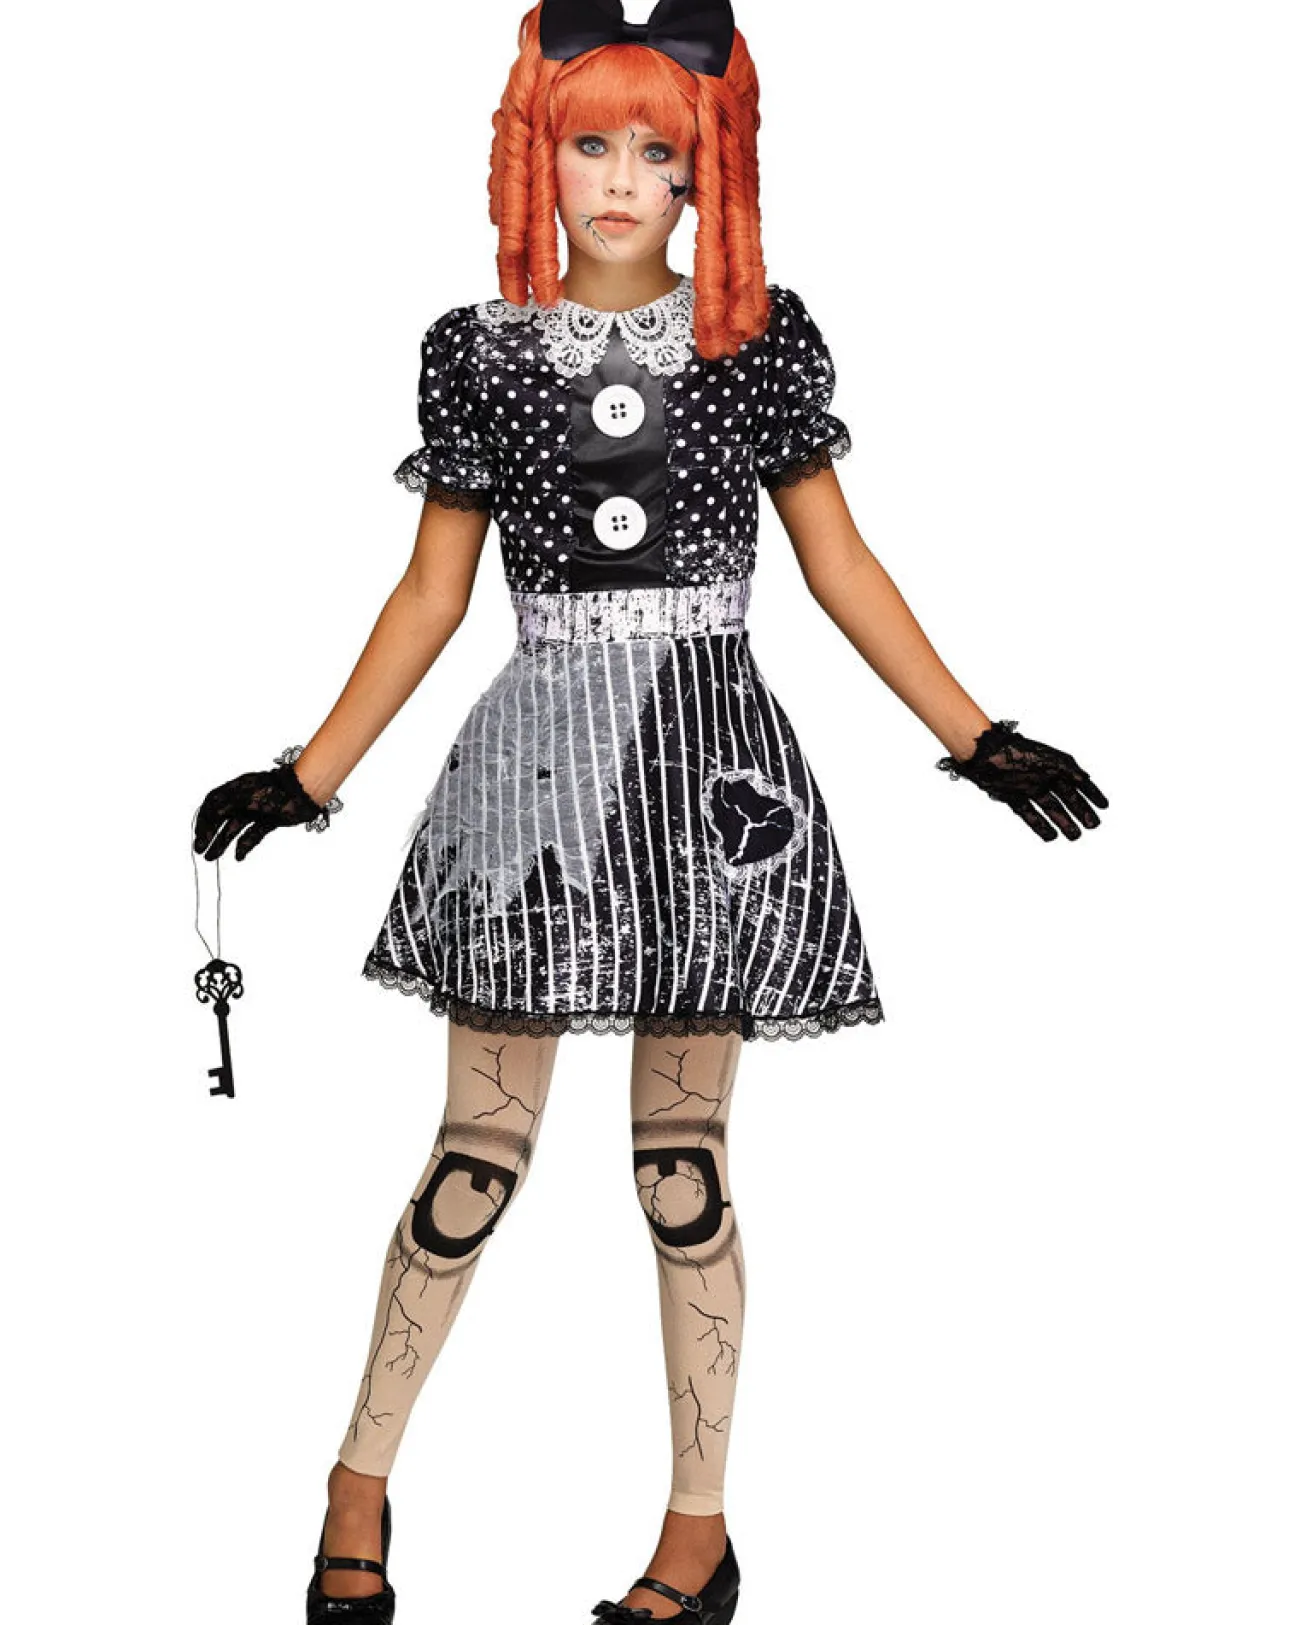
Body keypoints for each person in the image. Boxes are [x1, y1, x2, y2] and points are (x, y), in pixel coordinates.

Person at [192, 2, 1108, 1620]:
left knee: (682, 1169)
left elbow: (838, 561)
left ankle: (699, 1530)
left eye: (655, 152)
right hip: (533, 786)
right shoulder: (479, 351)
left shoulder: (758, 343)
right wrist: (310, 772)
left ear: (706, 176)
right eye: (588, 144)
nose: (619, 180)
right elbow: (432, 590)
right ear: (533, 161)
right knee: (474, 1164)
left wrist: (977, 736)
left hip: (706, 783)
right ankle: (357, 1481)